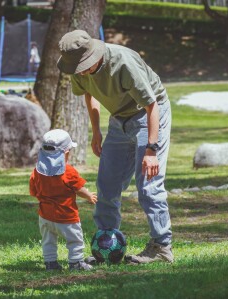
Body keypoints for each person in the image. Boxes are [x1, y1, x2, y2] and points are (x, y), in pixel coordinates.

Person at [56, 30, 174, 264]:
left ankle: (162, 246)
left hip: (148, 115)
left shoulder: (123, 63)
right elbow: (89, 94)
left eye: (84, 65)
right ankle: (106, 243)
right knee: (107, 185)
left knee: (149, 186)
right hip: (119, 118)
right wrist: (96, 131)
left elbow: (152, 106)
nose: (81, 71)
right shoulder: (76, 67)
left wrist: (152, 149)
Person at [29, 129, 98, 271]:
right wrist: (89, 196)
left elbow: (34, 191)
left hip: (45, 216)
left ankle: (50, 264)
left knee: (48, 241)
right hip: (67, 217)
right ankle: (76, 263)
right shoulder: (69, 171)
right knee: (75, 240)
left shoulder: (37, 171)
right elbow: (79, 189)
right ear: (66, 153)